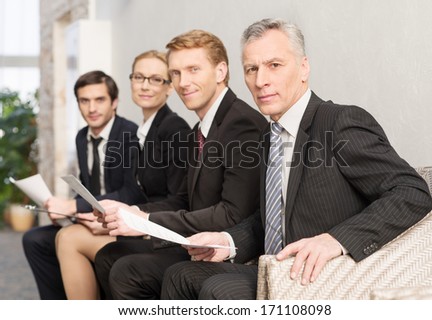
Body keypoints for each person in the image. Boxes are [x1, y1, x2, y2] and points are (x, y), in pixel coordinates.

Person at [160, 18, 432, 300]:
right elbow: (272, 217)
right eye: (251, 69)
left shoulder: (339, 122)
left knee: (216, 288)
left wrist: (336, 240)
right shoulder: (269, 136)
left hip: (323, 275)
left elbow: (411, 192)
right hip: (276, 269)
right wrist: (227, 241)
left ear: (303, 67)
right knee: (180, 274)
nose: (260, 80)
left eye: (274, 65)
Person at [93, 29, 268, 299]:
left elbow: (233, 214)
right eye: (175, 73)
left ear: (220, 71)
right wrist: (131, 211)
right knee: (109, 255)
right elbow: (182, 199)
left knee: (127, 270)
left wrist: (146, 220)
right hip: (194, 239)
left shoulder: (241, 124)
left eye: (193, 69)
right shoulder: (198, 129)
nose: (183, 82)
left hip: (230, 249)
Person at [53, 50, 190, 299]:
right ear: (131, 82)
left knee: (69, 239)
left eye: (155, 79)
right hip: (138, 222)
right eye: (139, 77)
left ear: (170, 87)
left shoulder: (173, 128)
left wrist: (132, 217)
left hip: (162, 233)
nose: (145, 85)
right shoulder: (145, 131)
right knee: (63, 236)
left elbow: (181, 200)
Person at [22, 70, 142, 299]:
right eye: (84, 101)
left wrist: (75, 207)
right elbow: (90, 191)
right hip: (91, 219)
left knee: (65, 239)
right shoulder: (81, 137)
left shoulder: (129, 135)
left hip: (120, 223)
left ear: (114, 102)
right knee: (34, 239)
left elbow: (132, 193)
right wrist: (65, 210)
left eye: (99, 100)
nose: (92, 108)